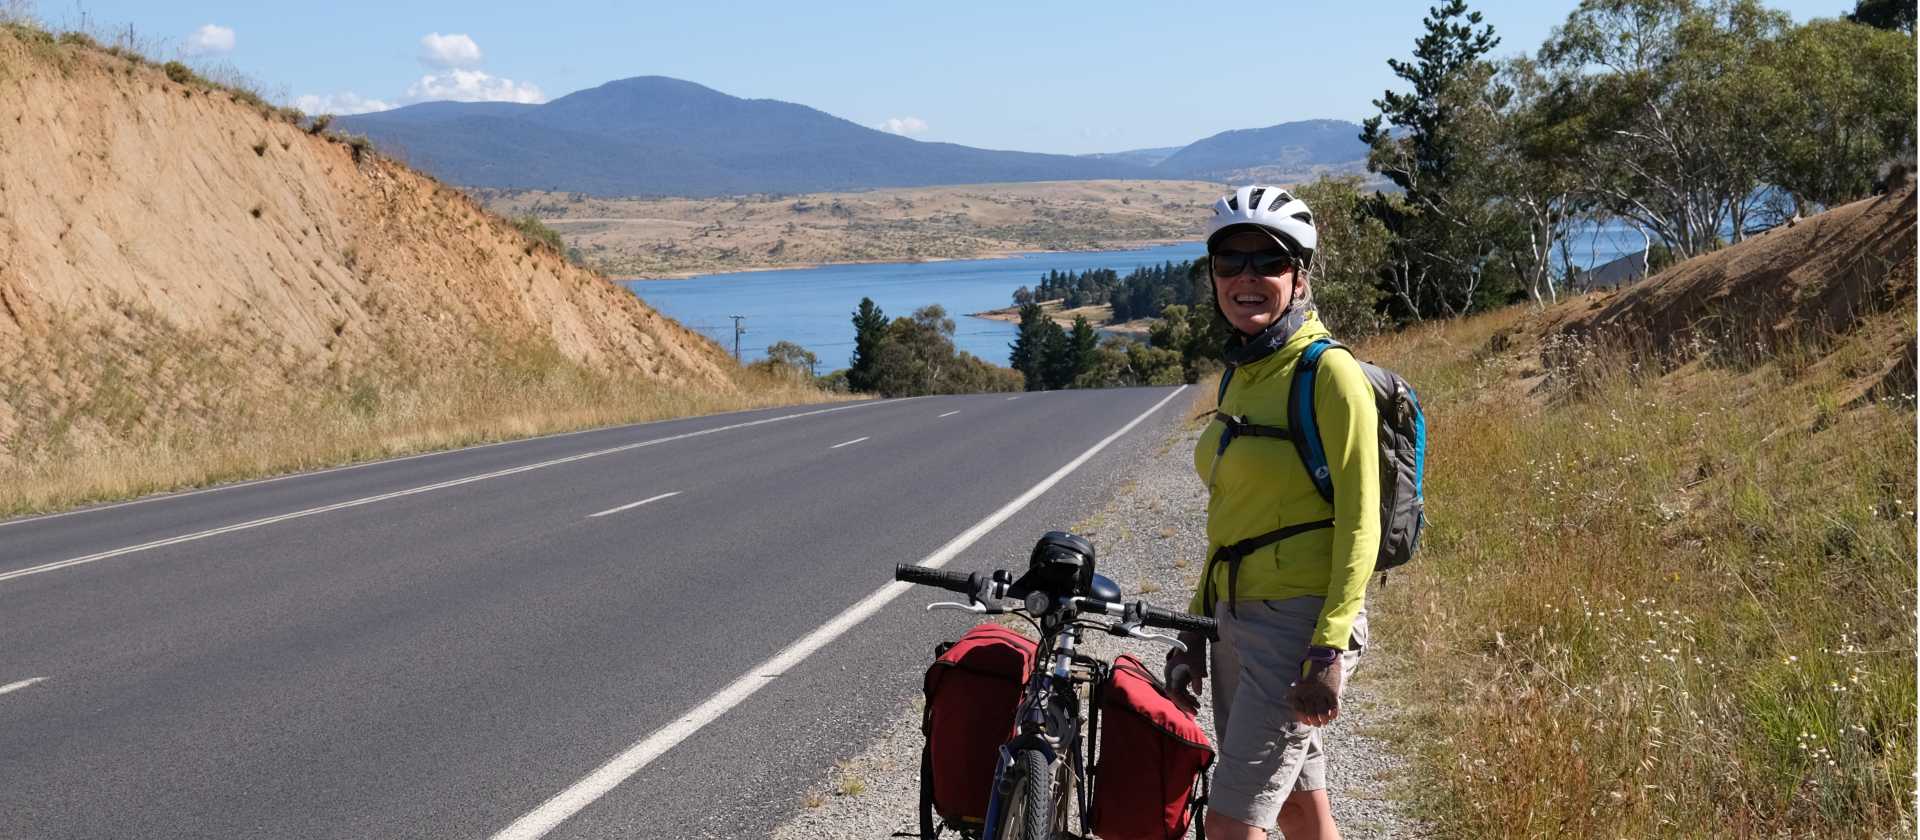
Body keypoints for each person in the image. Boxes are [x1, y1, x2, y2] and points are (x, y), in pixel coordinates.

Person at [1165, 185, 1380, 840]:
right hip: (1237, 616)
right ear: (1213, 276)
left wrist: (1329, 643)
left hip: (1297, 627)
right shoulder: (1244, 371)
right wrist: (1195, 631)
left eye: (1268, 261)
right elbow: (1232, 517)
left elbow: (1361, 520)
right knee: (1294, 805)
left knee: (1230, 823)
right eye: (1231, 262)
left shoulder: (1328, 373)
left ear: (1300, 276)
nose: (1247, 278)